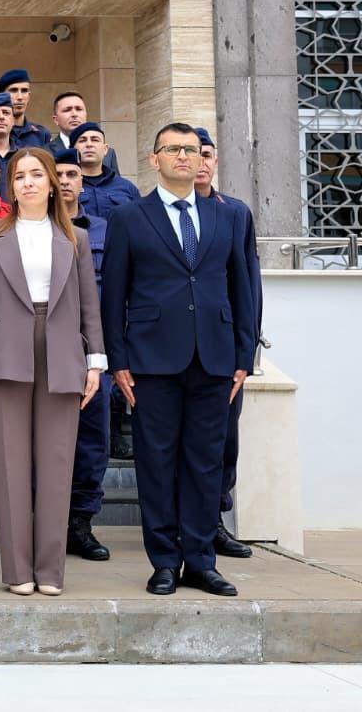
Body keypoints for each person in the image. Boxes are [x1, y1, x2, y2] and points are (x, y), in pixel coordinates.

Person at [101, 123, 258, 597]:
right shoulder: (130, 217)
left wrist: (244, 356)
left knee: (206, 464)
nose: (185, 157)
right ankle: (165, 562)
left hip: (215, 359)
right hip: (150, 361)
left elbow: (244, 288)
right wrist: (117, 360)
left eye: (192, 150)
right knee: (157, 463)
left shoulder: (227, 216)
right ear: (155, 159)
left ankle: (201, 561)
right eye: (174, 149)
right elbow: (114, 294)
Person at [0, 147, 105, 595]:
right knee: (9, 465)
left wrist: (95, 362)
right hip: (4, 351)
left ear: (52, 184)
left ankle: (50, 571)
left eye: (36, 175)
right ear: (11, 186)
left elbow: (89, 305)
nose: (28, 182)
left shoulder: (74, 238)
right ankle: (18, 571)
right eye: (20, 175)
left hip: (62, 351)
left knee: (57, 464)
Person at [193, 127, 263, 561]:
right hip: (174, 348)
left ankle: (214, 520)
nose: (199, 162)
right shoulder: (156, 212)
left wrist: (246, 350)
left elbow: (247, 286)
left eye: (206, 153)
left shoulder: (235, 212)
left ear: (215, 160)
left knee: (223, 441)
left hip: (222, 350)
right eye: (191, 153)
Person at [55, 147, 114, 561]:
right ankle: (46, 521)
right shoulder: (30, 231)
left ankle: (81, 523)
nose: (64, 181)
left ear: (82, 181)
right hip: (43, 350)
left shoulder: (105, 230)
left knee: (92, 442)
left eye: (71, 174)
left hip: (92, 351)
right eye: (57, 174)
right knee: (44, 442)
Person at [49, 91, 120, 173]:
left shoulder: (108, 153)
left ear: (86, 114)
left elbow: (116, 180)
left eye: (79, 109)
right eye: (67, 110)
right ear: (56, 119)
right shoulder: (45, 152)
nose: (74, 114)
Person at [0, 69, 51, 149]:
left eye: (24, 91)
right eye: (13, 90)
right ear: (0, 96)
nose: (20, 97)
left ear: (29, 96)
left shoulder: (41, 134)